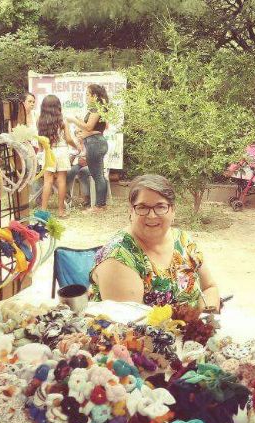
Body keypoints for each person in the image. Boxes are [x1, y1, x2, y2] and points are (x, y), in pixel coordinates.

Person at [88, 174, 221, 311]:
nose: (151, 215)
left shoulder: (183, 241)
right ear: (131, 211)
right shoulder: (118, 257)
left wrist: (207, 316)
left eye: (160, 207)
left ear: (173, 210)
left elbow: (209, 287)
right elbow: (128, 321)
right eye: (142, 207)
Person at [67, 84, 109, 213]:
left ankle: (99, 206)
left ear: (94, 96)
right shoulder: (98, 109)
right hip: (96, 142)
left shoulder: (97, 109)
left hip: (95, 144)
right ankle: (101, 205)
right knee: (99, 175)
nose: (86, 97)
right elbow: (95, 128)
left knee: (98, 176)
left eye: (87, 94)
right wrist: (81, 122)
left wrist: (73, 120)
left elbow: (89, 127)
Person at [38, 94, 77, 218]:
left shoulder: (40, 121)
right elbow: (68, 139)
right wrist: (76, 146)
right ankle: (61, 211)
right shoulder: (62, 120)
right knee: (61, 181)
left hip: (48, 151)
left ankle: (43, 212)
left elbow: (40, 141)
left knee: (47, 181)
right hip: (62, 150)